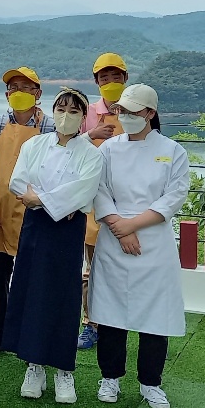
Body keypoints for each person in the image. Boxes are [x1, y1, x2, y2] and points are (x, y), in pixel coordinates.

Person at [0, 88, 104, 405]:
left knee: (63, 294)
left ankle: (63, 369)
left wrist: (42, 198)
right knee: (32, 289)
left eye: (74, 111)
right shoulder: (34, 144)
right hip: (35, 227)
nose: (66, 116)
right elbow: (18, 182)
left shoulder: (91, 154)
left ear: (83, 118)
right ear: (52, 111)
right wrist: (55, 201)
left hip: (67, 231)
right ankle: (34, 365)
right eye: (61, 109)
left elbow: (85, 190)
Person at [91, 84, 189, 408]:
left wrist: (132, 225)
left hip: (153, 240)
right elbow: (98, 189)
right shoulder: (108, 149)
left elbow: (174, 196)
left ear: (149, 113)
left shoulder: (173, 151)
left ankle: (151, 383)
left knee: (155, 314)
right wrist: (119, 227)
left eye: (133, 111)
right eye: (122, 110)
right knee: (110, 312)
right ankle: (110, 378)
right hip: (114, 237)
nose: (125, 116)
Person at [0, 66, 54, 355]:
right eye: (13, 88)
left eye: (25, 87)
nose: (19, 92)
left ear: (38, 93)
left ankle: (28, 336)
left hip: (35, 213)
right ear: (6, 94)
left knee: (33, 279)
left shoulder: (50, 127)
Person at [74, 52, 128, 351]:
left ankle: (120, 322)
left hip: (129, 201)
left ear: (125, 78)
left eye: (115, 76)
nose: (110, 82)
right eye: (104, 77)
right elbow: (68, 148)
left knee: (125, 266)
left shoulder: (137, 109)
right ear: (96, 82)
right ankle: (91, 323)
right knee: (92, 268)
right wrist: (92, 134)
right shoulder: (87, 112)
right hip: (94, 200)